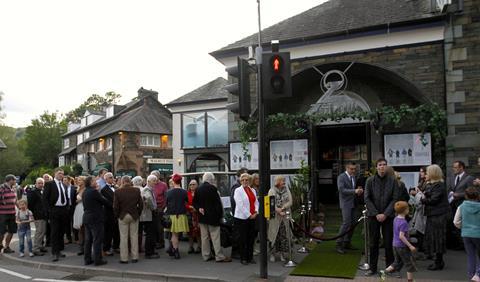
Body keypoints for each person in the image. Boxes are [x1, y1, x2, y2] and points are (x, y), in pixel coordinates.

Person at [364, 158, 399, 276]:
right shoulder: (370, 181)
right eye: (380, 165)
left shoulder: (392, 181)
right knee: (373, 243)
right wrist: (376, 213)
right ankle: (372, 268)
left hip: (388, 216)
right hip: (373, 216)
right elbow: (367, 198)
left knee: (388, 243)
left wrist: (385, 213)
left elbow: (395, 198)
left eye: (384, 165)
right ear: (376, 167)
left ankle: (390, 268)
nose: (382, 167)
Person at [192, 172, 231, 263]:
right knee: (215, 237)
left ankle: (206, 255)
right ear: (211, 180)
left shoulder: (198, 189)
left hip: (202, 216)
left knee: (204, 237)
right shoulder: (213, 189)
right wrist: (221, 215)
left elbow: (194, 202)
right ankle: (219, 256)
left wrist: (199, 209)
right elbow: (218, 204)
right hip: (213, 217)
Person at [421, 164, 449, 271]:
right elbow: (431, 195)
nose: (425, 174)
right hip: (433, 215)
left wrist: (423, 199)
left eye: (427, 172)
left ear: (432, 174)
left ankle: (439, 262)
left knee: (438, 238)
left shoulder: (439, 185)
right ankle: (437, 260)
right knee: (434, 238)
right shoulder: (434, 184)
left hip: (438, 216)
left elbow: (434, 200)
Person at [382, 201, 417, 282]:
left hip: (395, 244)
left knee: (396, 262)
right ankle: (410, 280)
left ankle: (383, 272)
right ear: (405, 210)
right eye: (408, 208)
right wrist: (410, 246)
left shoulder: (395, 219)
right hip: (402, 246)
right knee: (409, 264)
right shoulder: (404, 222)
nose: (409, 209)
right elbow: (402, 236)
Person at [114, 176, 143, 264]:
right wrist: (138, 213)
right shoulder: (136, 190)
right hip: (134, 215)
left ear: (122, 182)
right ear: (130, 182)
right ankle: (135, 257)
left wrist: (117, 215)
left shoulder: (118, 191)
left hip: (123, 215)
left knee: (123, 237)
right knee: (134, 236)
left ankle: (124, 258)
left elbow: (115, 206)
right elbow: (141, 205)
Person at [43, 168, 70, 262]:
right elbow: (45, 199)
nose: (61, 175)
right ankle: (54, 253)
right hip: (54, 210)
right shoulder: (49, 184)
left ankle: (59, 250)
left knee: (61, 232)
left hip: (63, 210)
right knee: (54, 232)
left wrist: (67, 208)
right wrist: (49, 211)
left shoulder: (63, 184)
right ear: (55, 174)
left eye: (62, 174)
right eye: (59, 173)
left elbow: (66, 197)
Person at [453, 187, 480, 281]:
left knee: (471, 256)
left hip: (466, 234)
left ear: (465, 196)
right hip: (478, 234)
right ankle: (478, 274)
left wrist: (464, 227)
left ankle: (471, 276)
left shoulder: (461, 206)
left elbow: (456, 222)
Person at [336, 162, 363, 254]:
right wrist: (354, 191)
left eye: (354, 169)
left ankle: (347, 242)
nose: (353, 170)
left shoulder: (353, 177)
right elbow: (341, 190)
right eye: (351, 169)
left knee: (353, 223)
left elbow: (353, 189)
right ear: (346, 168)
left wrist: (358, 191)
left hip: (354, 203)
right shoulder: (341, 177)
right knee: (346, 223)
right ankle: (339, 243)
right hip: (345, 204)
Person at [83, 175, 110, 266]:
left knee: (88, 240)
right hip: (95, 218)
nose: (96, 182)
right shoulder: (94, 192)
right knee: (97, 239)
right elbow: (104, 201)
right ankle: (98, 260)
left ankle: (87, 259)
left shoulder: (85, 191)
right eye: (95, 181)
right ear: (91, 182)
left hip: (87, 217)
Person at [448, 160, 475, 250]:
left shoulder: (469, 178)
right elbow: (451, 189)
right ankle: (459, 244)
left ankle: (465, 244)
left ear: (461, 167)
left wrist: (458, 195)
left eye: (455, 167)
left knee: (463, 224)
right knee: (455, 224)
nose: (453, 169)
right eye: (453, 167)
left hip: (463, 204)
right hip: (453, 205)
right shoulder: (452, 177)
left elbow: (472, 192)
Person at [234, 173, 258, 265]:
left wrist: (255, 212)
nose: (244, 181)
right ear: (240, 181)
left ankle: (250, 257)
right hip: (242, 218)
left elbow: (256, 202)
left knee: (251, 238)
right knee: (243, 239)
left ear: (249, 181)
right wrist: (249, 215)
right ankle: (243, 258)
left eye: (246, 180)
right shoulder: (238, 190)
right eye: (242, 180)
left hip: (252, 217)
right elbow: (240, 205)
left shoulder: (252, 190)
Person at [268, 175, 293, 262]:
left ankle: (282, 254)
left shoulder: (287, 190)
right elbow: (271, 203)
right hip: (275, 217)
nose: (284, 182)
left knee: (283, 235)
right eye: (282, 180)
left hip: (285, 216)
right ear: (278, 182)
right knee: (274, 235)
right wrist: (278, 210)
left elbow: (290, 201)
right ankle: (272, 254)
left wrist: (283, 208)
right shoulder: (271, 191)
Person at [166, 173, 189, 259]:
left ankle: (175, 251)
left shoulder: (169, 192)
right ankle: (174, 249)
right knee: (177, 234)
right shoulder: (184, 192)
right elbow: (186, 202)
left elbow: (166, 203)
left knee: (174, 234)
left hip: (172, 215)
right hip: (181, 215)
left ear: (173, 181)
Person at [26, 178, 47, 256]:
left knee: (43, 232)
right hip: (37, 215)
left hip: (43, 215)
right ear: (36, 183)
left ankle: (40, 246)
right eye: (39, 183)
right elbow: (30, 205)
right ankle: (36, 249)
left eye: (42, 183)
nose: (41, 184)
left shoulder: (42, 191)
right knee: (39, 232)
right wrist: (34, 214)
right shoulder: (32, 192)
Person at [140, 175, 159, 259]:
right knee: (150, 234)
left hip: (149, 215)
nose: (156, 182)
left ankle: (151, 250)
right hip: (149, 215)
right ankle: (149, 253)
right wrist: (153, 208)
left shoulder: (148, 189)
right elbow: (148, 199)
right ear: (149, 181)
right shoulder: (147, 189)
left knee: (151, 233)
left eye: (156, 180)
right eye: (154, 181)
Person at [101, 172, 119, 256]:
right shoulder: (103, 189)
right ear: (106, 179)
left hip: (116, 213)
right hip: (108, 214)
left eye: (113, 177)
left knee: (116, 231)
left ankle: (116, 246)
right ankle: (106, 248)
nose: (113, 179)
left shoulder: (116, 187)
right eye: (111, 177)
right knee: (108, 232)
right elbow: (108, 202)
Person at [0, 174, 18, 254]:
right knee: (1, 231)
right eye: (14, 180)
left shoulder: (13, 188)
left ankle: (7, 247)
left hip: (12, 213)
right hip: (3, 213)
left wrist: (20, 208)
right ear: (10, 180)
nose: (15, 181)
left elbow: (15, 200)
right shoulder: (1, 188)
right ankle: (0, 245)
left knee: (12, 230)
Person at [150, 170, 168, 249]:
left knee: (159, 226)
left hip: (160, 208)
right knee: (153, 226)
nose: (152, 179)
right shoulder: (151, 184)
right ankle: (155, 241)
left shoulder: (163, 185)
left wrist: (163, 207)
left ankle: (161, 242)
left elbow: (166, 197)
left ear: (157, 177)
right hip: (151, 208)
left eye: (154, 177)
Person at [186, 179, 200, 254]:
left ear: (197, 185)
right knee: (190, 232)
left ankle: (199, 246)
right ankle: (190, 247)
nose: (192, 186)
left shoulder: (199, 193)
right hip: (190, 215)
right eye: (190, 184)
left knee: (198, 231)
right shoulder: (187, 193)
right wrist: (190, 207)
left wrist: (196, 208)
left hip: (198, 215)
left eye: (194, 184)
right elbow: (185, 203)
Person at [73, 176, 86, 256]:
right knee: (79, 229)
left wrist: (80, 200)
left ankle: (86, 247)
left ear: (84, 181)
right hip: (78, 208)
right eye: (78, 180)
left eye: (80, 180)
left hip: (84, 208)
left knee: (84, 228)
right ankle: (81, 248)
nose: (78, 181)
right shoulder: (77, 189)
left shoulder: (86, 189)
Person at [62, 176, 76, 244]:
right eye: (63, 180)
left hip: (73, 207)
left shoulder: (74, 188)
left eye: (65, 180)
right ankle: (68, 238)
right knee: (66, 223)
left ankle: (75, 237)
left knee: (74, 222)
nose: (63, 181)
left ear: (69, 180)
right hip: (65, 208)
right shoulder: (62, 188)